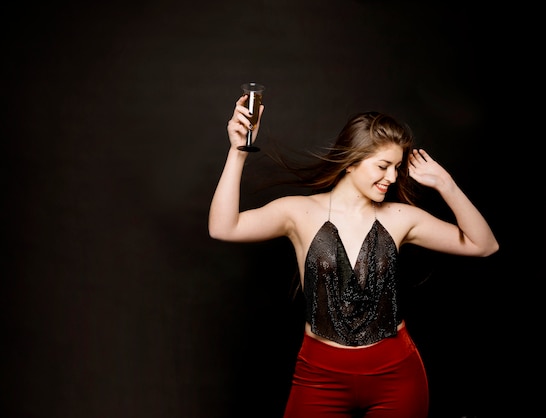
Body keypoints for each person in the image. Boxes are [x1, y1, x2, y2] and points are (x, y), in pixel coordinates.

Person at [208, 93, 499, 418]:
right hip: (319, 375)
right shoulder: (299, 211)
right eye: (383, 165)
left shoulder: (401, 216)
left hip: (396, 374)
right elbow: (223, 228)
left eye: (397, 167)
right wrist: (237, 151)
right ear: (351, 160)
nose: (392, 177)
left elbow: (484, 245)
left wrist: (447, 186)